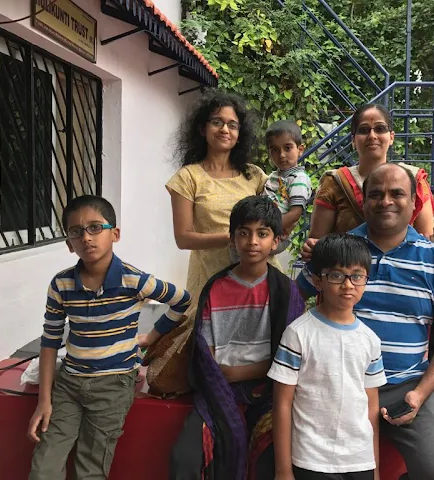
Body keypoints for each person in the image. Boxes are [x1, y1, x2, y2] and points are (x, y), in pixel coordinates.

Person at [301, 164, 434, 479]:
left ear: (414, 202)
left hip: (406, 387)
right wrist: (311, 257)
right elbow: (294, 299)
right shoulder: (338, 250)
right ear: (364, 202)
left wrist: (420, 394)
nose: (385, 201)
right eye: (375, 194)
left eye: (397, 193)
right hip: (340, 384)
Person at [27, 195, 191, 480]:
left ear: (115, 234)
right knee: (44, 468)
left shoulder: (135, 281)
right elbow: (50, 340)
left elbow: (182, 300)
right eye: (76, 231)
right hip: (68, 385)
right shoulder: (61, 284)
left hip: (113, 386)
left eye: (95, 227)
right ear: (69, 244)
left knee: (90, 469)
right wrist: (44, 400)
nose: (86, 237)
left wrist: (151, 337)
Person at [171, 196, 305, 480]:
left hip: (269, 391)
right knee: (186, 457)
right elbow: (204, 351)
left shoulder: (286, 291)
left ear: (276, 241)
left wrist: (239, 372)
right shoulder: (215, 287)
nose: (252, 241)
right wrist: (225, 376)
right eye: (244, 233)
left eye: (262, 233)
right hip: (218, 388)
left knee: (271, 455)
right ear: (232, 239)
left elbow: (290, 356)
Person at [269, 234, 387, 480]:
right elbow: (282, 404)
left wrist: (375, 468)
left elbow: (371, 407)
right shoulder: (298, 334)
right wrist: (283, 470)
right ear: (317, 280)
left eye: (357, 276)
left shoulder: (370, 340)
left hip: (359, 459)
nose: (348, 285)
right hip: (311, 459)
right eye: (336, 275)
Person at [167, 90, 279, 319]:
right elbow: (183, 238)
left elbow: (276, 215)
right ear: (202, 128)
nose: (225, 130)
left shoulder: (254, 175)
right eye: (217, 122)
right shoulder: (188, 177)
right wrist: (233, 238)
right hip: (211, 277)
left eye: (232, 125)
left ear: (240, 133)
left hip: (260, 277)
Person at [303, 103, 434, 260]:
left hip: (404, 270)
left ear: (391, 137)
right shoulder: (335, 183)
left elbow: (426, 241)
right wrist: (312, 248)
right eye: (364, 130)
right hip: (346, 270)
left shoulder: (414, 180)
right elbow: (317, 245)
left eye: (380, 129)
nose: (372, 136)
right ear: (353, 140)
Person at [262, 120, 312, 253]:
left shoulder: (299, 178)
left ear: (300, 150)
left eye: (287, 148)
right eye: (275, 150)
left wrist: (271, 229)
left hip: (278, 234)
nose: (282, 155)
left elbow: (295, 213)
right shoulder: (274, 176)